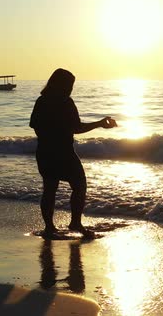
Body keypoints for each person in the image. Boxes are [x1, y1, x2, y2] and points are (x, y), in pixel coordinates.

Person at [30, 68, 117, 236]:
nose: (70, 89)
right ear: (61, 85)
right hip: (63, 152)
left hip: (45, 151)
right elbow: (77, 128)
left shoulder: (42, 101)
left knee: (49, 188)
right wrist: (98, 124)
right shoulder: (66, 103)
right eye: (69, 85)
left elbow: (34, 125)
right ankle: (75, 223)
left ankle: (50, 227)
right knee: (79, 185)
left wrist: (48, 136)